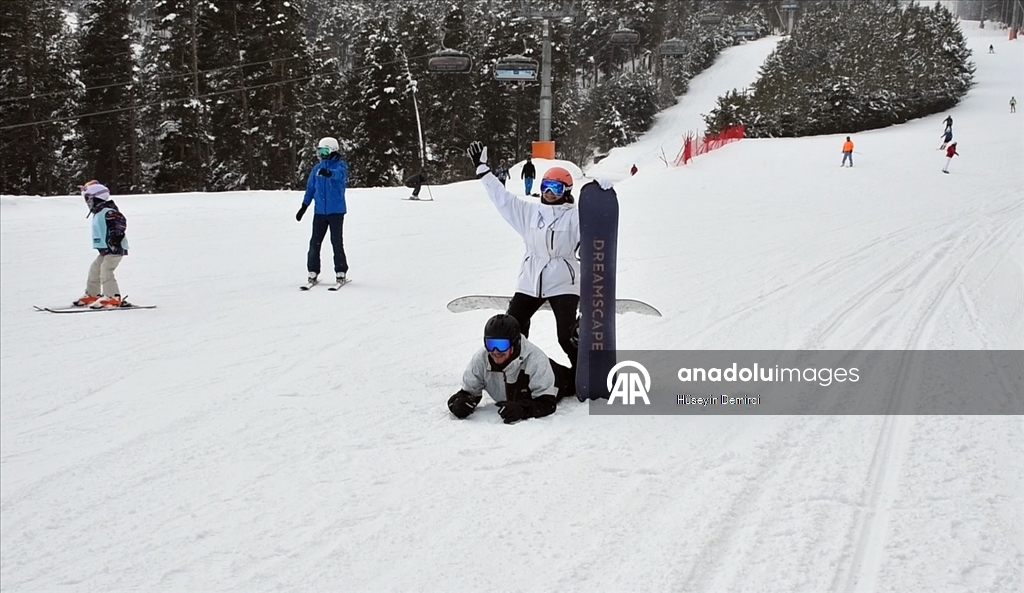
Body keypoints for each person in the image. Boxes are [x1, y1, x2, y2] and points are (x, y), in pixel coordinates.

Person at [466, 141, 580, 393]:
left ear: (567, 190)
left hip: (563, 281)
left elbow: (599, 222)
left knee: (566, 335)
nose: (550, 192)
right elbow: (502, 199)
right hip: (530, 279)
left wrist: (601, 196)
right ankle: (514, 374)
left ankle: (584, 373)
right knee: (513, 327)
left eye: (556, 187)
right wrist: (483, 171)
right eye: (546, 186)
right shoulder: (530, 213)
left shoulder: (576, 216)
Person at [447, 314, 574, 424]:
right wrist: (458, 403)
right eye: (491, 344)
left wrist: (522, 409)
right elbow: (469, 393)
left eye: (502, 345)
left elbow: (547, 403)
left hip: (560, 379)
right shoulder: (481, 359)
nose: (495, 351)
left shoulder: (536, 360)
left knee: (583, 384)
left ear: (515, 343)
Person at [297, 137, 349, 285]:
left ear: (332, 150)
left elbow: (340, 176)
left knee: (336, 242)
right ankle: (312, 271)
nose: (322, 154)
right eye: (320, 150)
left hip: (336, 212)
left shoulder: (340, 166)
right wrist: (304, 206)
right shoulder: (316, 169)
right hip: (320, 212)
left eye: (325, 150)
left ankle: (341, 271)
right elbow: (311, 188)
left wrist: (329, 174)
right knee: (315, 242)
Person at [73, 181, 130, 308]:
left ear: (96, 198)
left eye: (88, 198)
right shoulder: (98, 212)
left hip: (115, 248)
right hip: (106, 250)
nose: (87, 202)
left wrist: (115, 238)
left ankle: (112, 297)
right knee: (95, 269)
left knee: (106, 270)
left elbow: (120, 222)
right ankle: (93, 294)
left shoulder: (108, 211)